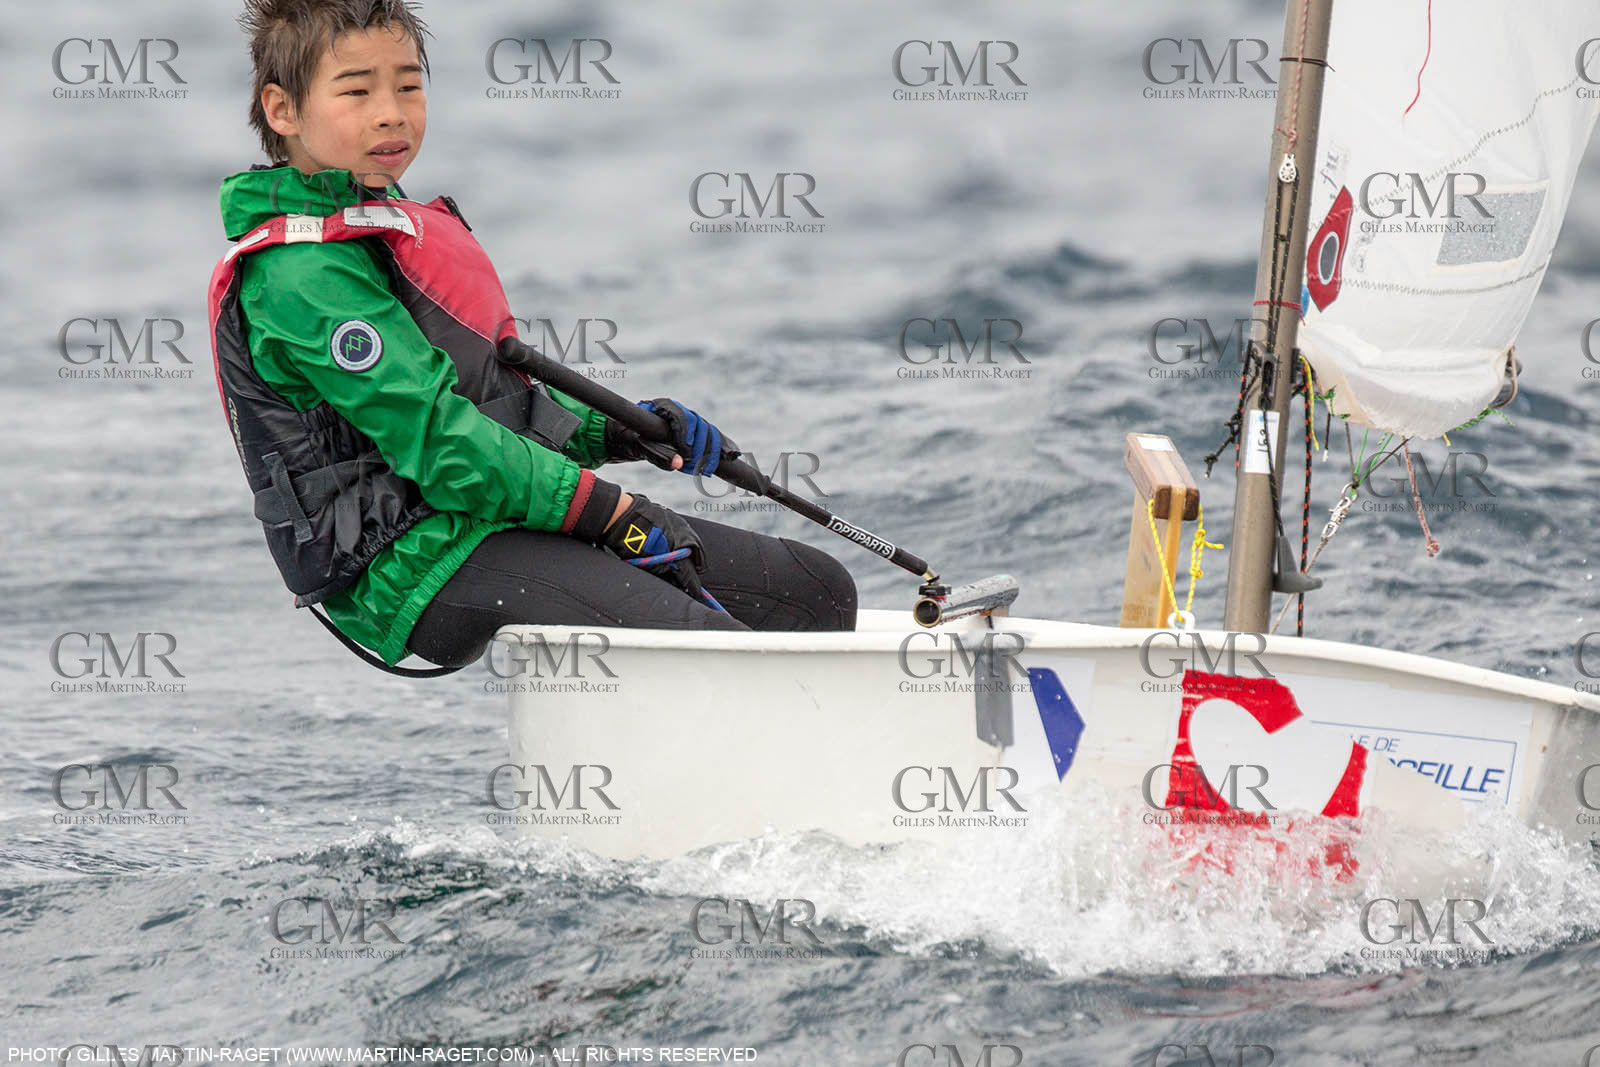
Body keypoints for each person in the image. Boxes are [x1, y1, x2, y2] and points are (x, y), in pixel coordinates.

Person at [207, 0, 856, 673]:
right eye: (357, 90)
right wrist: (611, 512)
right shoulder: (300, 276)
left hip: (484, 510)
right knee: (707, 645)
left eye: (407, 84)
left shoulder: (379, 231)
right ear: (283, 111)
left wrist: (622, 430)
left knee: (816, 593)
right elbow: (441, 440)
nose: (391, 111)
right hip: (410, 560)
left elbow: (496, 397)